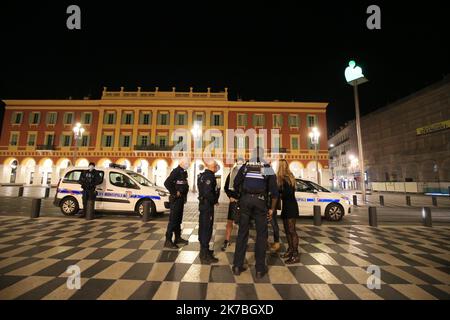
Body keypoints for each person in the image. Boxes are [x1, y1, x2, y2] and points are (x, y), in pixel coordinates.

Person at [232, 147, 279, 278]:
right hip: (260, 201)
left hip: (245, 201)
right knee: (261, 235)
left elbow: (236, 183)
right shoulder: (266, 166)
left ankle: (237, 266)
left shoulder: (246, 165)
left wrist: (241, 195)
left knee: (242, 233)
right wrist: (272, 209)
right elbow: (274, 190)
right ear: (262, 155)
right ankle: (259, 270)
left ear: (252, 155)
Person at [276, 159, 300, 264]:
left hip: (291, 207)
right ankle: (290, 250)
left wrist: (279, 193)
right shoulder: (283, 178)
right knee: (287, 230)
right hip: (287, 206)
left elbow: (289, 193)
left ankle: (295, 254)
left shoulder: (287, 178)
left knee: (292, 230)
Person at [197, 160, 220, 263]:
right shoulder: (209, 177)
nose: (217, 168)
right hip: (207, 206)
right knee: (206, 228)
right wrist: (214, 200)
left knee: (203, 227)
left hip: (203, 205)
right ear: (213, 167)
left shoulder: (202, 175)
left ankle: (204, 250)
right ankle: (204, 254)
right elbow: (207, 192)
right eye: (216, 166)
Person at [164, 158, 190, 249]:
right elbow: (167, 183)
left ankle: (178, 238)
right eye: (187, 163)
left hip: (180, 200)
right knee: (173, 220)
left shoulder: (183, 172)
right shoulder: (176, 171)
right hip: (176, 200)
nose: (188, 164)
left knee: (178, 220)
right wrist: (175, 192)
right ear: (182, 163)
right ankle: (168, 240)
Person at [221, 158, 244, 251]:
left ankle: (241, 241)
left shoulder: (246, 174)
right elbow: (226, 187)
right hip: (233, 201)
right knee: (230, 222)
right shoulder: (231, 174)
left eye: (241, 163)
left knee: (243, 223)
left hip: (243, 202)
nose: (239, 165)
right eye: (238, 163)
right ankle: (226, 241)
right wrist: (230, 196)